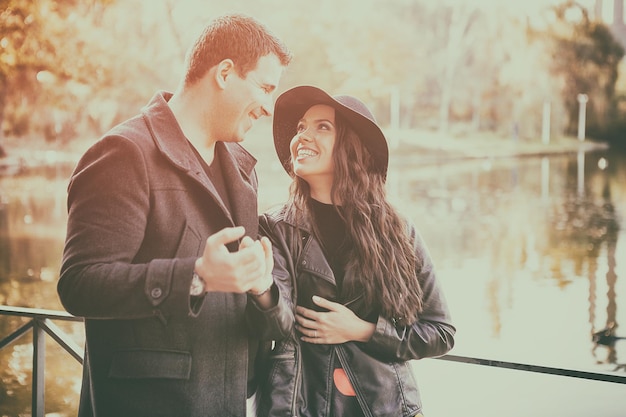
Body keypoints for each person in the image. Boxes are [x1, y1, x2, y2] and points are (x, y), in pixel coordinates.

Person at [57, 14, 292, 417]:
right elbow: (79, 285)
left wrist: (262, 288)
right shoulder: (123, 153)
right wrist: (197, 276)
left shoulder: (242, 169)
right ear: (224, 73)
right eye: (265, 88)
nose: (269, 108)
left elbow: (264, 313)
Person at [257, 86, 456, 417]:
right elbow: (277, 322)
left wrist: (362, 329)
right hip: (300, 406)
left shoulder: (398, 231)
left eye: (322, 126)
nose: (303, 136)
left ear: (352, 148)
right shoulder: (275, 228)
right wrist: (260, 289)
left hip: (386, 408)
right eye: (301, 127)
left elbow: (440, 332)